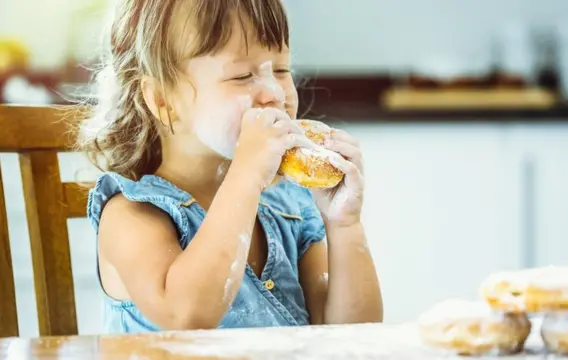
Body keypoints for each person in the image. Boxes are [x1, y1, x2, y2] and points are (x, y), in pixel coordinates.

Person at [78, 0, 383, 333]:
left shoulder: (290, 210)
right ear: (163, 101)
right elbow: (186, 316)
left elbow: (351, 334)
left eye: (281, 70)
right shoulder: (133, 215)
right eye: (242, 75)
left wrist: (344, 225)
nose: (274, 94)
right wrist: (246, 178)